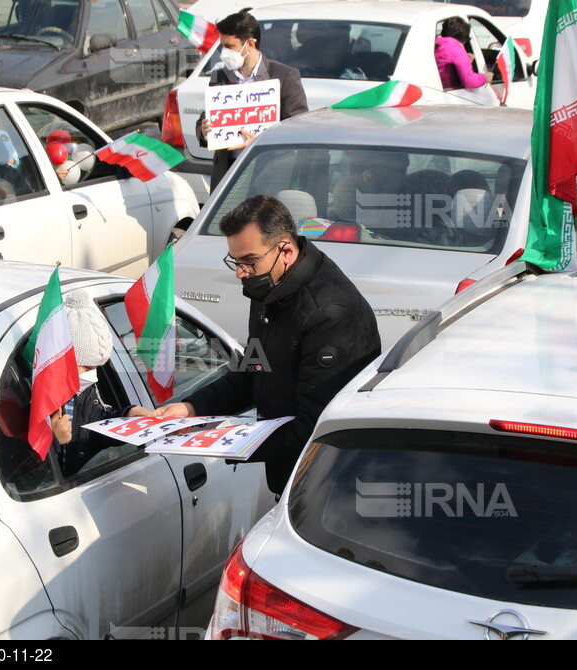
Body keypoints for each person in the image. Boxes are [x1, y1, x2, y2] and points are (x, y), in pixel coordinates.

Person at [152, 195, 381, 494]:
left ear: (285, 250)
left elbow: (316, 429)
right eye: (235, 261)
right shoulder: (271, 286)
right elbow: (253, 368)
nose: (240, 273)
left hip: (326, 489)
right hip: (290, 474)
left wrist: (224, 440)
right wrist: (192, 407)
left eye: (248, 261)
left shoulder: (330, 314)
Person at [198, 10, 309, 190]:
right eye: (222, 46)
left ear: (250, 43)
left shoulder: (284, 76)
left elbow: (298, 129)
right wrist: (203, 130)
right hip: (228, 176)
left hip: (268, 175)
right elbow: (208, 117)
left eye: (229, 46)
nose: (224, 53)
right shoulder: (220, 76)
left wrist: (261, 141)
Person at [49, 289, 151, 473]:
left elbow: (94, 427)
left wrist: (127, 417)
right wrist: (53, 440)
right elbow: (16, 464)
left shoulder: (84, 391)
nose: (93, 376)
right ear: (63, 360)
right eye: (87, 368)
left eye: (97, 368)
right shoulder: (35, 396)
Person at [434, 16, 493, 91]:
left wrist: (467, 61)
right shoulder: (456, 50)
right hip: (452, 94)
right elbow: (469, 81)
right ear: (464, 39)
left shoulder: (436, 45)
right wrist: (485, 78)